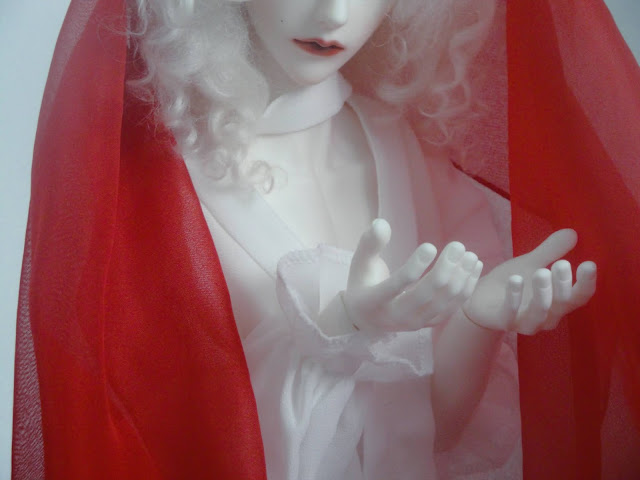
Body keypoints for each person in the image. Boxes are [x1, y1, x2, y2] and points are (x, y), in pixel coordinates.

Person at [12, 0, 639, 479]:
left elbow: (433, 433)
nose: (335, 12)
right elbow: (175, 445)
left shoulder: (400, 147)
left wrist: (479, 317)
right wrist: (339, 334)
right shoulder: (159, 190)